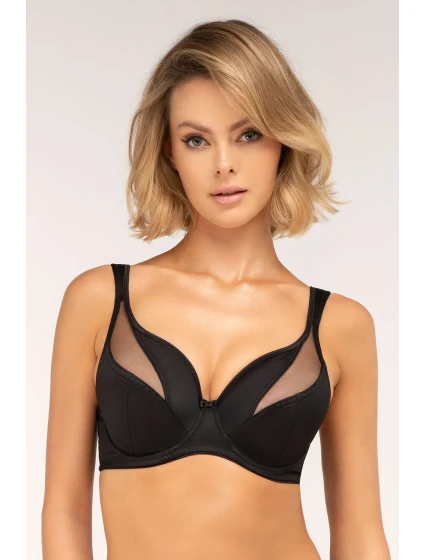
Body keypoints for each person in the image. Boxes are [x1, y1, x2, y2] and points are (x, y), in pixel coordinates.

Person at [41, 19, 391, 560]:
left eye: (248, 134)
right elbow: (63, 509)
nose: (224, 163)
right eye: (197, 140)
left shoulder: (341, 326)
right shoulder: (100, 300)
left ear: (283, 141)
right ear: (170, 153)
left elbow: (361, 533)